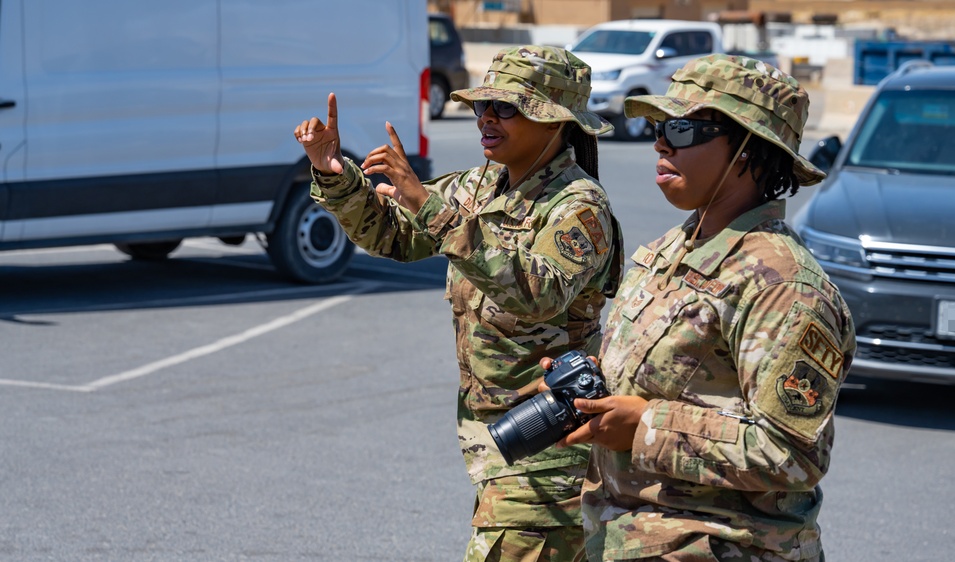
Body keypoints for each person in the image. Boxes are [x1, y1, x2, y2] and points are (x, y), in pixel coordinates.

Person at [293, 45, 624, 561]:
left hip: (551, 447)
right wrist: (336, 175)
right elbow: (396, 237)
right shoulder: (479, 186)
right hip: (494, 438)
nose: (486, 118)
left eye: (505, 108)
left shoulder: (579, 208)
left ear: (553, 118)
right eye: (481, 107)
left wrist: (431, 208)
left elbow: (538, 293)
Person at [543, 54, 857, 561]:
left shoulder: (785, 285)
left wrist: (646, 427)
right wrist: (589, 384)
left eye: (684, 129)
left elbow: (794, 453)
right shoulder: (672, 248)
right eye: (660, 126)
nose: (660, 142)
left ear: (749, 149)